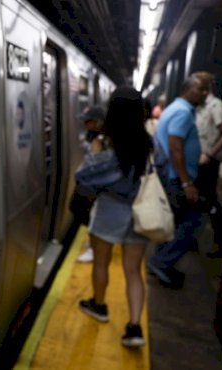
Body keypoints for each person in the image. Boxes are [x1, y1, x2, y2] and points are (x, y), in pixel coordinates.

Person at [75, 87, 153, 347]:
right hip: (141, 211)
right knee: (133, 272)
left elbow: (85, 178)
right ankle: (134, 328)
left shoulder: (105, 143)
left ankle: (99, 306)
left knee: (101, 263)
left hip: (110, 209)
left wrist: (93, 152)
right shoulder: (148, 143)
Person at [147, 75, 209, 289]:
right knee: (193, 222)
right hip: (177, 179)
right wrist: (186, 183)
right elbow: (175, 147)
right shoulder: (183, 112)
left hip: (171, 176)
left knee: (173, 223)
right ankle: (161, 263)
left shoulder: (175, 108)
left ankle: (160, 260)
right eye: (201, 89)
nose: (206, 93)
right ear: (188, 89)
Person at [193, 71, 222, 258]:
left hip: (209, 162)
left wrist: (209, 154)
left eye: (196, 88)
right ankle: (191, 239)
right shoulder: (199, 108)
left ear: (206, 89)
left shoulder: (216, 106)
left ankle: (220, 243)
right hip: (198, 161)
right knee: (197, 199)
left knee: (210, 201)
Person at [74, 105, 106, 263]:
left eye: (88, 121)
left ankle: (95, 248)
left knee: (91, 214)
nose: (85, 124)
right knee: (81, 210)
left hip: (95, 185)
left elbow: (97, 163)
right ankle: (95, 244)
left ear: (98, 122)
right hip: (89, 182)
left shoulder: (102, 139)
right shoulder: (92, 135)